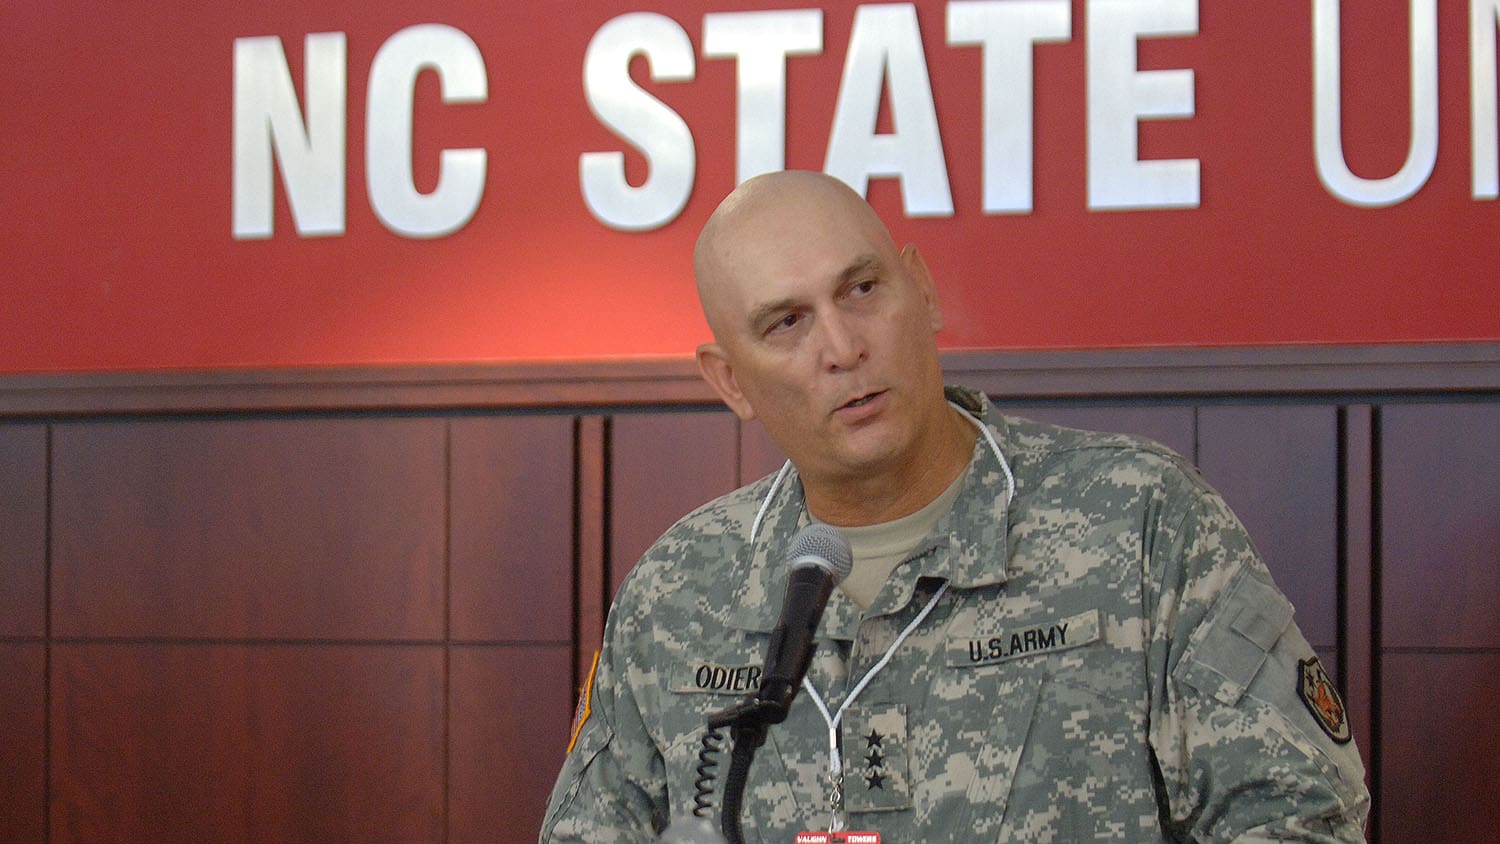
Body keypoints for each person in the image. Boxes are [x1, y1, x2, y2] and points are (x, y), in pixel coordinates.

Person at [540, 171, 1370, 842]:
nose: (842, 346)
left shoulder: (1142, 520)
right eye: (787, 323)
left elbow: (1302, 821)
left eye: (862, 289)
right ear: (729, 381)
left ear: (924, 293)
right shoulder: (678, 590)